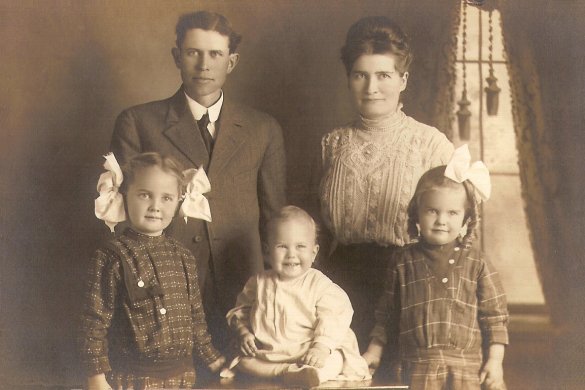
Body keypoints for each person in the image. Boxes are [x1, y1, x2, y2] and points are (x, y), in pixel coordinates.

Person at [110, 10, 286, 352]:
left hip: (244, 291)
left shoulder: (263, 129)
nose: (204, 65)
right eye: (193, 52)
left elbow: (274, 219)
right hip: (165, 290)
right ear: (177, 56)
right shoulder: (137, 122)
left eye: (215, 54)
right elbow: (121, 221)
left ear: (231, 62)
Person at [319, 16, 454, 350]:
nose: (371, 87)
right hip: (339, 284)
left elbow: (459, 226)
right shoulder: (331, 144)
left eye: (383, 75)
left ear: (403, 79)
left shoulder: (431, 145)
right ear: (349, 78)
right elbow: (314, 226)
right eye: (360, 75)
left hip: (408, 281)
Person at [363, 145, 509, 390]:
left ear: (465, 219)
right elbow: (386, 316)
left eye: (452, 212)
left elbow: (495, 318)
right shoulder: (402, 261)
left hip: (466, 371)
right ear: (416, 215)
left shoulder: (478, 263)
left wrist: (495, 361)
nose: (442, 220)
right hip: (415, 368)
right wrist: (373, 352)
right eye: (432, 211)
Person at [79, 152, 225, 389]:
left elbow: (196, 319)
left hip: (183, 377)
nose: (155, 207)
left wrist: (214, 359)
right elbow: (94, 322)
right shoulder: (111, 256)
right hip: (133, 378)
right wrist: (96, 375)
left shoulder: (183, 257)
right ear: (125, 195)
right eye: (145, 195)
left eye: (166, 198)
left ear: (180, 200)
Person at [225, 206, 371, 388]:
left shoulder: (318, 284)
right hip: (270, 352)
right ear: (267, 251)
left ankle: (309, 373)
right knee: (243, 361)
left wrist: (321, 347)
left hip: (308, 351)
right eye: (282, 246)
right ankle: (285, 372)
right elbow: (241, 311)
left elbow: (336, 316)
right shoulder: (258, 282)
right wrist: (244, 332)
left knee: (336, 360)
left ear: (314, 252)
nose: (291, 254)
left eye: (300, 246)